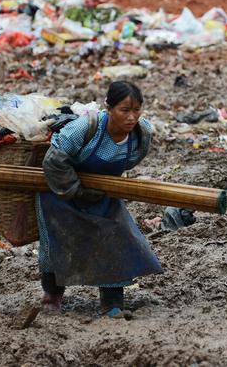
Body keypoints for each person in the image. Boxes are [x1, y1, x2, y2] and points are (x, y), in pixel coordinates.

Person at [36, 81, 163, 317]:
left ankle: (112, 304)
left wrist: (104, 186)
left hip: (103, 196)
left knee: (116, 240)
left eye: (137, 110)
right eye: (124, 110)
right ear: (109, 108)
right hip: (61, 194)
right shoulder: (87, 127)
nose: (131, 117)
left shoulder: (141, 134)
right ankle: (52, 297)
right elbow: (53, 160)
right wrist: (76, 190)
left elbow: (131, 160)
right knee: (56, 243)